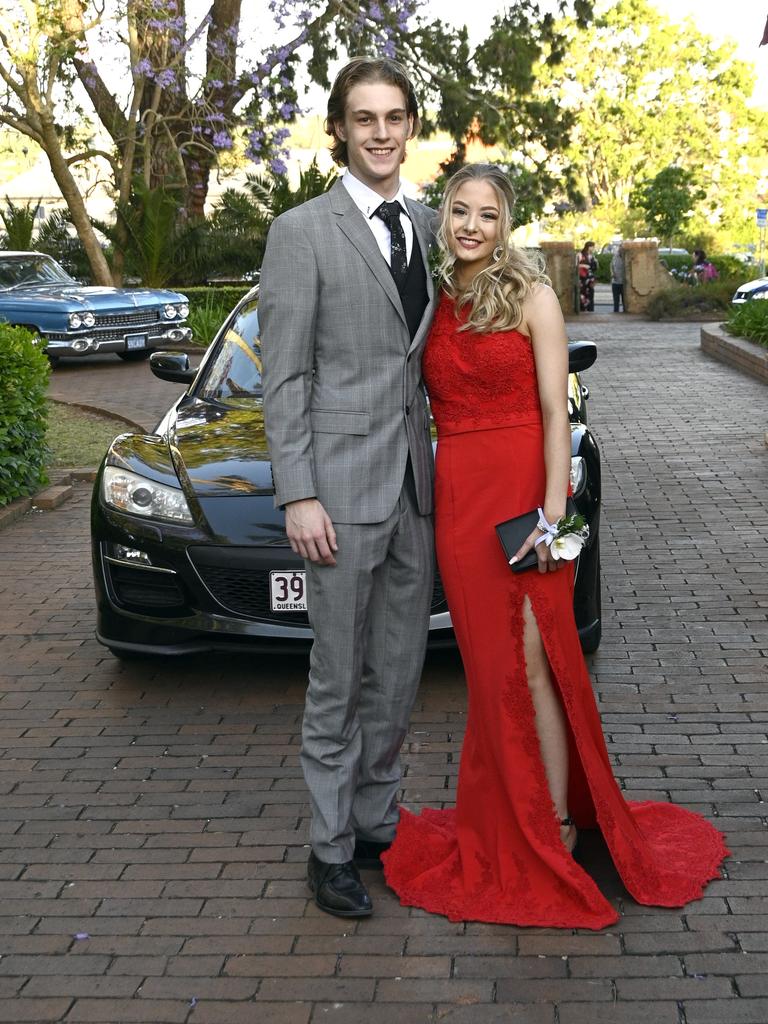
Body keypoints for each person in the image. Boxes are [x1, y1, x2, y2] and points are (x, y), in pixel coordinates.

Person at [382, 163, 729, 929]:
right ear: (445, 218)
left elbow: (552, 412)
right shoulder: (433, 300)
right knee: (491, 666)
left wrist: (552, 517)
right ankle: (508, 815)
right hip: (460, 498)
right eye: (461, 211)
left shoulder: (534, 296)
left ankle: (558, 825)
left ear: (507, 225)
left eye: (489, 214)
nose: (473, 225)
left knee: (542, 659)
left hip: (527, 495)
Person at [259, 57, 438, 919]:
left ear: (410, 126)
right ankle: (328, 851)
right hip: (335, 494)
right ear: (340, 128)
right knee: (337, 679)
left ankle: (375, 822)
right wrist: (298, 492)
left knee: (398, 676)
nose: (379, 132)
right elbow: (285, 375)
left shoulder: (434, 224)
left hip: (416, 493)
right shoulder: (302, 232)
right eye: (362, 118)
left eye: (393, 117)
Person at [578, 240, 597, 311]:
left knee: (591, 294)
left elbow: (594, 267)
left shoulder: (592, 256)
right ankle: (583, 309)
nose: (593, 248)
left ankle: (590, 309)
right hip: (582, 278)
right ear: (588, 247)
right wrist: (584, 266)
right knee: (583, 293)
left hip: (590, 278)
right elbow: (576, 265)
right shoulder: (580, 254)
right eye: (592, 247)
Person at [610, 245, 625, 312]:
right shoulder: (615, 256)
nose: (620, 250)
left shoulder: (627, 257)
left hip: (624, 282)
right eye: (620, 248)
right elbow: (611, 266)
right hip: (615, 281)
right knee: (616, 301)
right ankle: (616, 312)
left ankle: (626, 312)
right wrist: (612, 273)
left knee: (625, 301)